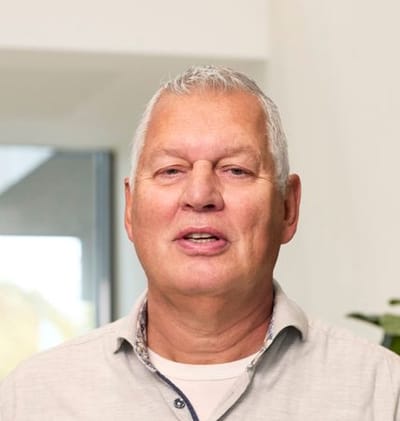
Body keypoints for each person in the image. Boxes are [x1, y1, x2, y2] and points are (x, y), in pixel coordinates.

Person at [1, 65, 399, 421]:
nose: (200, 195)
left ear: (287, 208)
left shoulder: (383, 393)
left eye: (236, 170)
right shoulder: (32, 399)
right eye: (171, 170)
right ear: (130, 208)